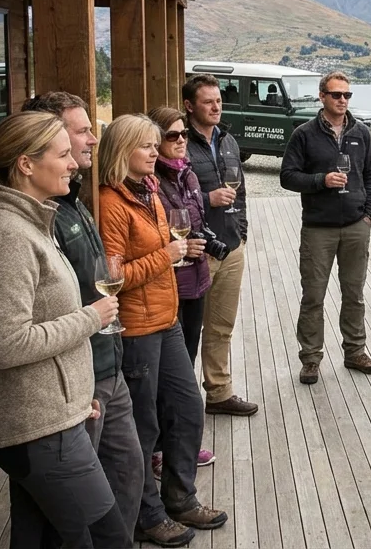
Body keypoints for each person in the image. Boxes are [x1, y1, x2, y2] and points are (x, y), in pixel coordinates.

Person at [0, 111, 131, 548]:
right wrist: (92, 317)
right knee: (107, 536)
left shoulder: (33, 224)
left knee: (43, 540)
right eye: (61, 154)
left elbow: (39, 326)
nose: (73, 161)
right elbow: (7, 342)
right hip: (37, 430)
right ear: (26, 165)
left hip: (50, 422)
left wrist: (75, 400)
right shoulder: (8, 238)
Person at [98, 114, 228, 546]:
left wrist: (176, 250)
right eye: (147, 146)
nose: (156, 152)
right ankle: (146, 514)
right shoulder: (111, 203)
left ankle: (180, 497)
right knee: (143, 425)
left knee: (188, 409)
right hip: (136, 327)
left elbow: (158, 252)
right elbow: (112, 275)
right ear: (122, 151)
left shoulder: (148, 191)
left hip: (166, 318)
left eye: (158, 145)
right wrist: (169, 254)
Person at [21, 91, 146, 535]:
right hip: (78, 377)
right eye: (81, 131)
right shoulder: (34, 218)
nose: (94, 139)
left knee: (129, 471)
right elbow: (13, 333)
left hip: (107, 361)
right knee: (73, 508)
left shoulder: (72, 198)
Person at [280, 71, 371, 383]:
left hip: (355, 226)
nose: (342, 100)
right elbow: (287, 176)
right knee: (313, 295)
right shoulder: (304, 134)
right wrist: (321, 181)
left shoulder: (361, 133)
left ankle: (355, 351)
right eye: (336, 95)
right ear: (322, 96)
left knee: (354, 293)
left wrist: (369, 214)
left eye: (347, 95)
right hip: (318, 228)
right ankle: (311, 358)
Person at [182, 74, 259, 417]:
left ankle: (218, 392)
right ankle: (180, 400)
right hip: (194, 250)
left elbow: (239, 192)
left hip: (231, 245)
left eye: (218, 101)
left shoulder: (228, 141)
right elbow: (168, 197)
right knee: (185, 330)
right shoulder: (179, 141)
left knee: (221, 326)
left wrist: (240, 231)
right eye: (207, 102)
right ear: (189, 106)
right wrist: (206, 198)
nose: (216, 107)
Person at [148, 106, 217, 475]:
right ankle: (160, 450)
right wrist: (180, 249)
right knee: (166, 375)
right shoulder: (152, 181)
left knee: (186, 361)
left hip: (196, 280)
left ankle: (179, 446)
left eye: (183, 135)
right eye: (172, 135)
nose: (180, 141)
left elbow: (196, 221)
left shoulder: (186, 174)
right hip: (169, 284)